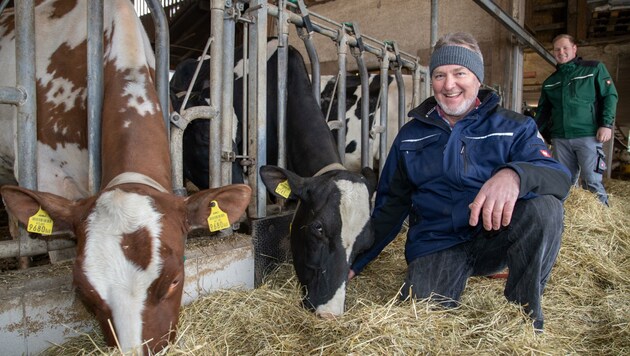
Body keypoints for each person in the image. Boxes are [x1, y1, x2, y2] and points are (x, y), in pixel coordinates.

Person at [349, 32, 571, 331]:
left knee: (545, 208)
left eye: (459, 73)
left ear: (477, 78)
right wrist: (355, 262)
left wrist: (514, 175)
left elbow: (558, 177)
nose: (449, 84)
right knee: (422, 322)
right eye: (440, 74)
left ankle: (523, 315)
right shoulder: (411, 135)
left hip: (494, 238)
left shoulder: (513, 127)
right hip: (437, 243)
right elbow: (390, 207)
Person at [535, 34, 618, 206]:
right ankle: (565, 221)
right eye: (557, 49)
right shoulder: (550, 82)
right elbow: (543, 111)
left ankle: (603, 221)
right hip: (560, 138)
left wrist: (606, 124)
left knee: (591, 181)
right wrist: (535, 132)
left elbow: (609, 96)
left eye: (565, 48)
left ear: (574, 48)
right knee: (563, 181)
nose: (561, 52)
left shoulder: (594, 69)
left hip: (587, 135)